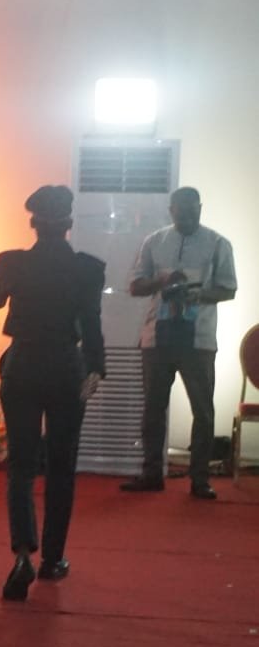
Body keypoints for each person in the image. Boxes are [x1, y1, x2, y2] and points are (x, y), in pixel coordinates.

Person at [0, 185, 106, 600]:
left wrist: (1, 276)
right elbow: (91, 324)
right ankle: (52, 559)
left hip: (22, 364)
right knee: (61, 464)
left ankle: (22, 552)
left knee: (20, 464)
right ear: (68, 224)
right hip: (66, 367)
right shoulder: (88, 268)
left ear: (33, 223)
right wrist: (96, 370)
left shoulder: (11, 261)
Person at [121, 187, 239, 499]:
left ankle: (199, 480)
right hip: (157, 337)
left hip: (198, 340)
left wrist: (198, 294)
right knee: (152, 409)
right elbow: (135, 286)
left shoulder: (218, 243)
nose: (187, 216)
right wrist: (162, 281)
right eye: (181, 211)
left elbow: (228, 289)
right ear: (170, 210)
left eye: (192, 210)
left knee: (203, 411)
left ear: (201, 207)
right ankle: (151, 473)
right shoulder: (154, 241)